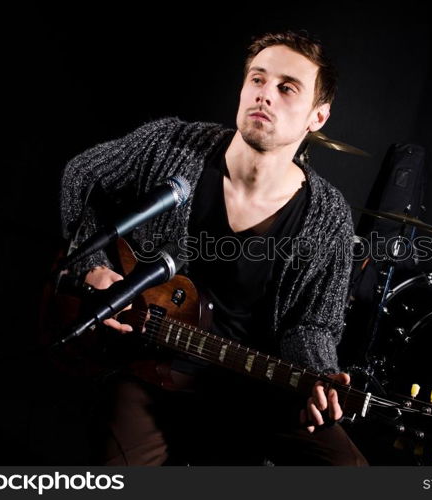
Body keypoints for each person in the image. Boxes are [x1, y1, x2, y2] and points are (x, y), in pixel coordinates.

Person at [59, 30, 367, 465]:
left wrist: (318, 376)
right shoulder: (169, 146)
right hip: (147, 369)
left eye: (286, 88)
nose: (265, 95)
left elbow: (312, 324)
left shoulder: (327, 215)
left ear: (317, 117)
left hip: (250, 391)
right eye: (257, 80)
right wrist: (91, 265)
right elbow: (81, 176)